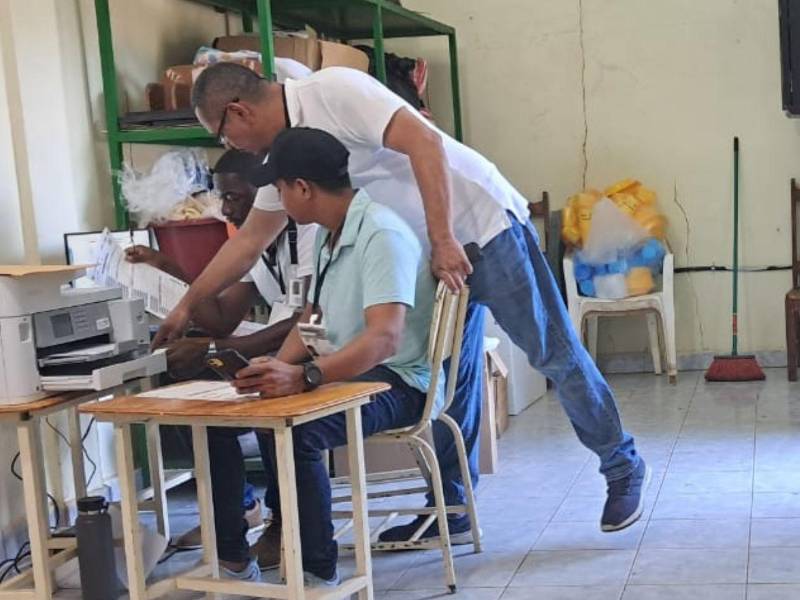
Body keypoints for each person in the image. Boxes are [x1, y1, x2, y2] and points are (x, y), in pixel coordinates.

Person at [155, 62, 647, 536]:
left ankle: (621, 465)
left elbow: (423, 141)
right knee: (449, 380)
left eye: (222, 135)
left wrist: (443, 238)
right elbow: (248, 242)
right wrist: (185, 307)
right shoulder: (288, 156)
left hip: (481, 230)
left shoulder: (333, 90)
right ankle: (452, 506)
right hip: (430, 253)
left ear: (238, 111)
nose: (229, 146)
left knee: (551, 351)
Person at [229, 126, 442, 584]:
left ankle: (316, 572)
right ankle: (241, 552)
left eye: (280, 189)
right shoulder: (332, 234)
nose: (280, 200)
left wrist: (304, 377)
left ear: (302, 188)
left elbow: (384, 340)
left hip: (400, 382)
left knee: (299, 431)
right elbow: (312, 319)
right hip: (359, 372)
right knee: (262, 410)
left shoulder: (380, 234)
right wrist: (277, 368)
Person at [127, 149, 318, 576]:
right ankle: (232, 529)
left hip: (322, 353)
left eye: (234, 197)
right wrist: (167, 267)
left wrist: (216, 349)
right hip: (283, 349)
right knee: (189, 391)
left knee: (260, 386)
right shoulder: (254, 244)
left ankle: (282, 519)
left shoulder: (306, 232)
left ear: (269, 194)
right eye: (222, 198)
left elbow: (309, 322)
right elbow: (221, 317)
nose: (226, 209)